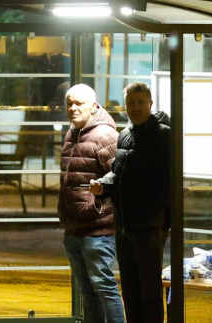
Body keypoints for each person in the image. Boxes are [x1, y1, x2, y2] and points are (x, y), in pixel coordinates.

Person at [92, 82, 171, 323]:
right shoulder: (125, 134)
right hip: (125, 224)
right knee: (130, 288)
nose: (135, 108)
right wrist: (102, 185)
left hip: (148, 225)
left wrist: (155, 214)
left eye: (140, 102)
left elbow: (167, 180)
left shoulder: (163, 135)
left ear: (150, 104)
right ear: (125, 105)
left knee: (149, 289)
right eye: (130, 103)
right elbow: (118, 171)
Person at [59, 84, 124, 323]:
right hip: (75, 228)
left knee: (104, 289)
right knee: (88, 291)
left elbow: (120, 177)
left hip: (98, 229)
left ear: (94, 106)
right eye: (69, 104)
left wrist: (100, 195)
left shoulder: (105, 135)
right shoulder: (72, 132)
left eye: (79, 104)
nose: (73, 109)